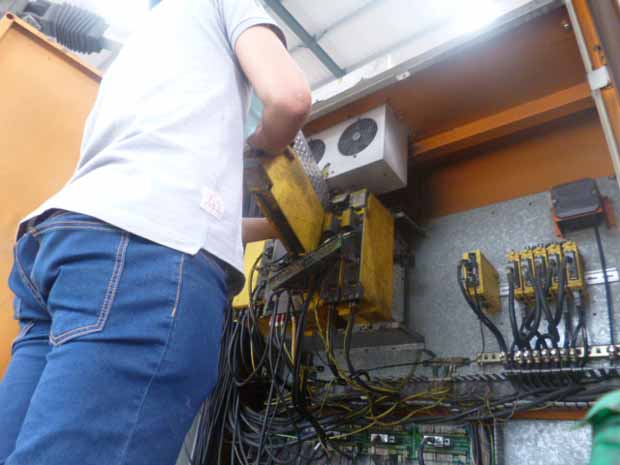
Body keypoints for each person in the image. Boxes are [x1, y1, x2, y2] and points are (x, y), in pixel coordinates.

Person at [0, 0, 311, 464]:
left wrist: (285, 229)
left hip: (65, 246)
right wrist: (259, 143)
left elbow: (185, 211)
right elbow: (290, 99)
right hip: (143, 262)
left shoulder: (139, 51)